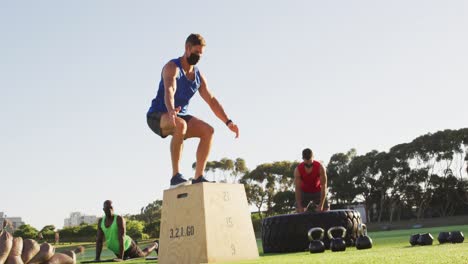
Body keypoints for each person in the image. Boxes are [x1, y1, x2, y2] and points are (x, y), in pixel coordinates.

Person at [147, 33, 239, 188]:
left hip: (179, 115)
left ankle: (198, 177)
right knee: (180, 125)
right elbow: (170, 88)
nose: (198, 57)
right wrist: (170, 110)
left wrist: (228, 122)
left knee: (208, 131)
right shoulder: (172, 67)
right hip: (158, 115)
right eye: (196, 53)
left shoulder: (197, 75)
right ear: (187, 48)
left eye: (201, 54)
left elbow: (211, 99)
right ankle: (175, 177)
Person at [294, 148, 329, 213]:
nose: (308, 162)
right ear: (303, 159)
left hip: (317, 191)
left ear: (313, 157)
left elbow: (324, 186)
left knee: (325, 209)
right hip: (304, 192)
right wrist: (299, 206)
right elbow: (297, 189)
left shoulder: (320, 167)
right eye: (306, 160)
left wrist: (321, 205)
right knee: (298, 210)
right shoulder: (298, 170)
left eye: (309, 160)